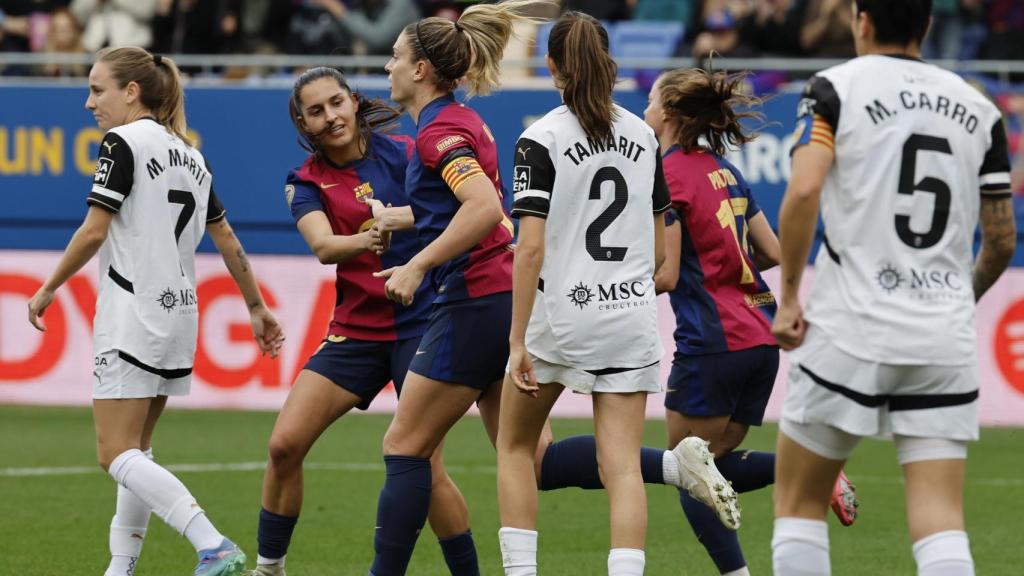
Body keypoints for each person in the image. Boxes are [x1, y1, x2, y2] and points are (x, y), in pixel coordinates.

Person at [770, 1, 1017, 575]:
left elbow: (805, 192)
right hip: (940, 338)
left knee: (800, 504)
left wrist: (788, 298)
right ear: (927, 25)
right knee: (940, 517)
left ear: (861, 21)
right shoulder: (981, 108)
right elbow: (1001, 239)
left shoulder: (834, 88)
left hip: (850, 327)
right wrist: (958, 297)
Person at [495, 12, 741, 576]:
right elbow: (657, 249)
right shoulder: (642, 135)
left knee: (514, 450)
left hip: (559, 314)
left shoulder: (539, 138)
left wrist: (515, 339)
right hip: (628, 315)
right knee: (624, 467)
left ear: (551, 65)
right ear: (610, 63)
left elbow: (528, 249)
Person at [26, 47, 284, 576]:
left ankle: (210, 542)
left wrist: (50, 285)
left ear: (132, 91)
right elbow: (226, 237)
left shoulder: (122, 143)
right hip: (179, 314)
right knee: (137, 452)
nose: (88, 102)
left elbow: (95, 229)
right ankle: (120, 569)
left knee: (113, 453)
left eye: (97, 90)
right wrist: (256, 306)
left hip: (132, 311)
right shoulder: (191, 153)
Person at [247, 66, 478, 576]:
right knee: (284, 446)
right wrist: (375, 233)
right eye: (316, 112)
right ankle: (269, 567)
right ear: (304, 125)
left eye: (335, 103)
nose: (330, 117)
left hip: (422, 324)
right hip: (355, 331)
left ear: (353, 102)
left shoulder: (409, 152)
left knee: (426, 468)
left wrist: (403, 218)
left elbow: (463, 210)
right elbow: (325, 246)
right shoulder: (305, 180)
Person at [645, 67, 859, 576]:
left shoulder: (668, 173)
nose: (645, 111)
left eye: (651, 101)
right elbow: (774, 251)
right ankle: (810, 472)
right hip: (758, 337)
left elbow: (667, 273)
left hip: (712, 341)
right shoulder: (724, 169)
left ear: (671, 113)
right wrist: (725, 269)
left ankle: (812, 473)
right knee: (708, 468)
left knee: (685, 467)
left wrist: (603, 294)